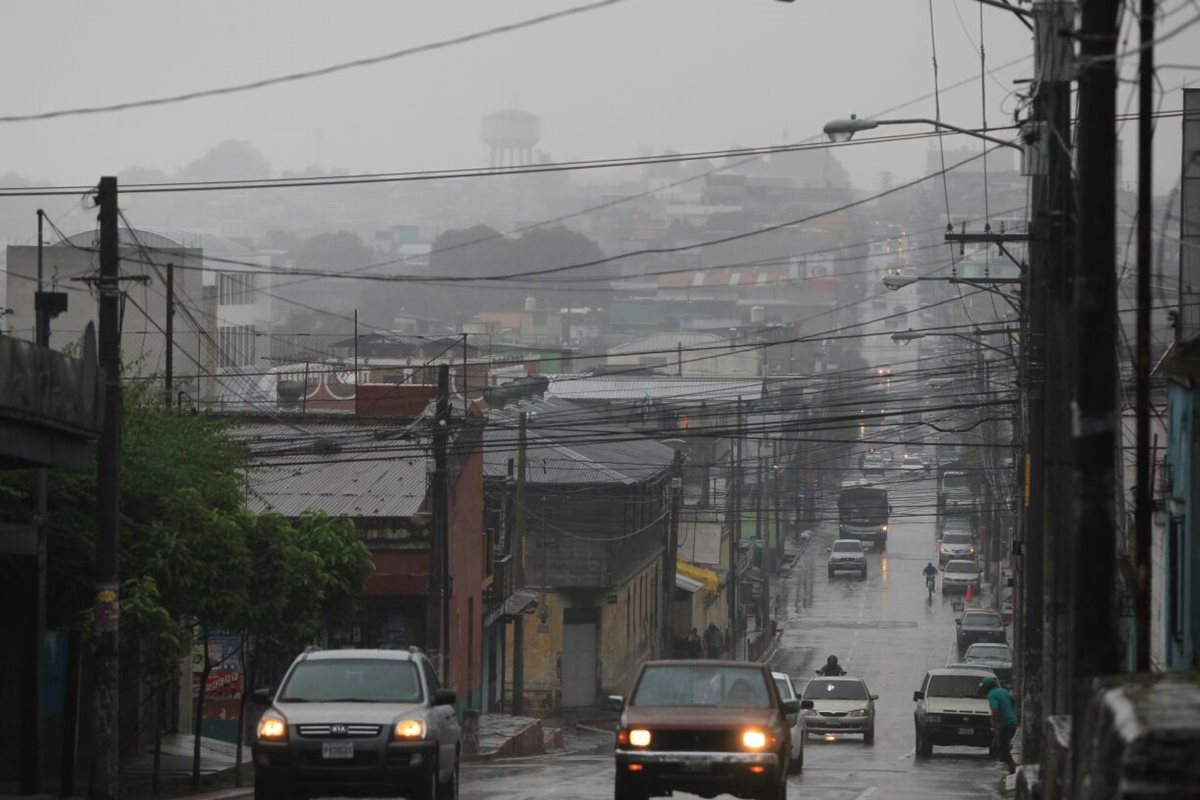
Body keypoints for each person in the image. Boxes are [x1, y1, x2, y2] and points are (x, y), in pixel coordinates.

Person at [981, 675, 1018, 774]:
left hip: (1004, 724)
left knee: (1003, 750)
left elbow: (994, 711)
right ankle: (1011, 768)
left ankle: (1014, 769)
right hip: (1013, 722)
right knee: (1003, 747)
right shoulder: (1003, 691)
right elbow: (1013, 701)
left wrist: (993, 726)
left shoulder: (992, 695)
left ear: (987, 687)